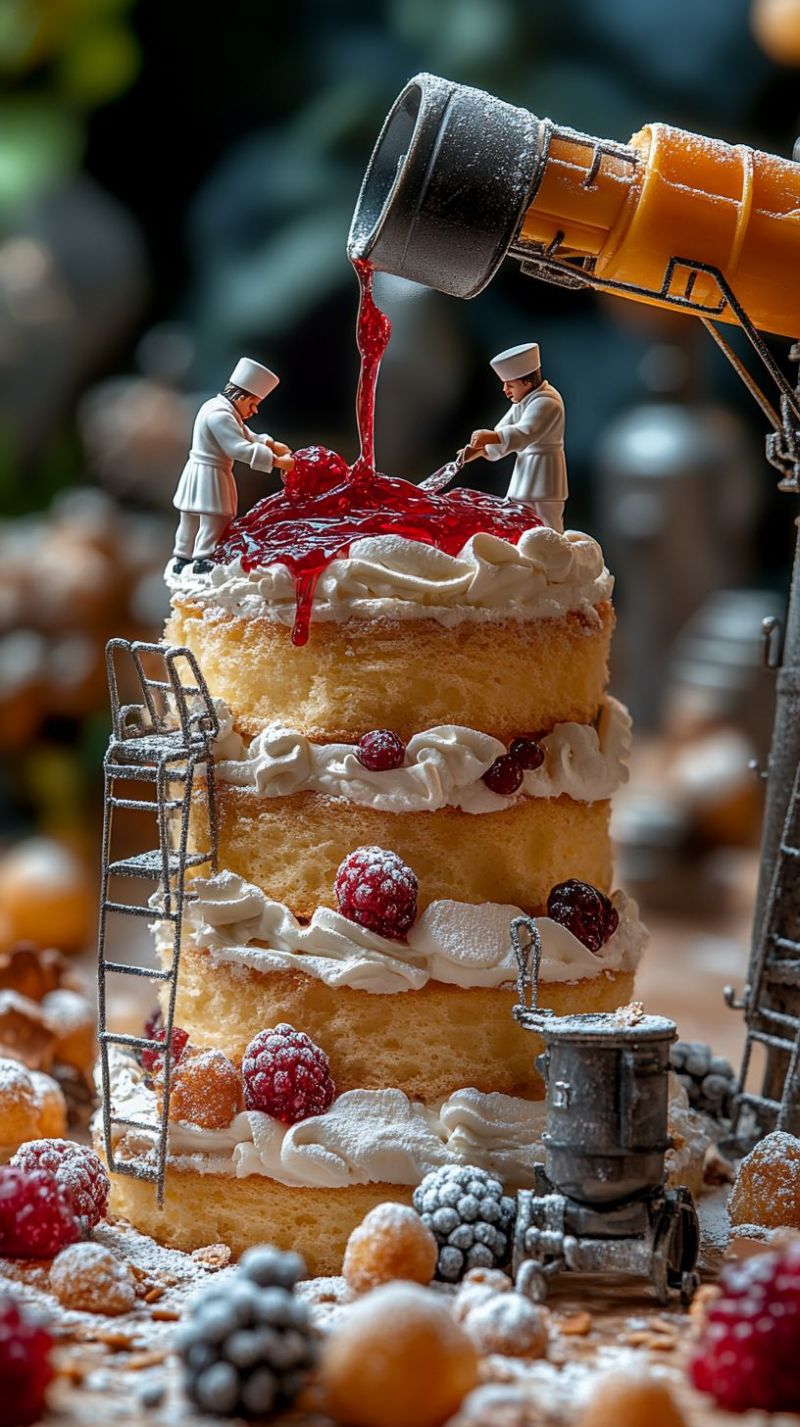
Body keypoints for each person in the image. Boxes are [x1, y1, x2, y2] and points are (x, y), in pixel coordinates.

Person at [172, 357, 294, 574]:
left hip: (199, 470)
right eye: (253, 403)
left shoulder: (218, 407)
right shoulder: (220, 415)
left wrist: (271, 444)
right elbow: (237, 447)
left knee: (190, 519)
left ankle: (182, 556)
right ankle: (202, 558)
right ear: (240, 396)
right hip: (210, 472)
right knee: (215, 518)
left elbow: (246, 434)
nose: (254, 410)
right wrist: (276, 461)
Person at [463, 342, 568, 532]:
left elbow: (525, 432)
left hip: (545, 469)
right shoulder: (522, 402)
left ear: (527, 382)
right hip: (526, 469)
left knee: (547, 520)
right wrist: (482, 451)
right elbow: (505, 428)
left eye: (510, 385)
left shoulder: (547, 402)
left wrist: (491, 437)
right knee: (519, 511)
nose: (505, 390)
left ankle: (557, 555)